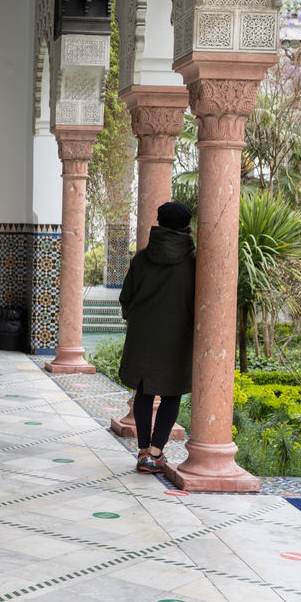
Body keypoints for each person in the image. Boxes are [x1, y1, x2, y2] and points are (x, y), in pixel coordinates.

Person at [117, 201, 196, 474]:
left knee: (144, 390)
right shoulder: (194, 261)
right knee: (172, 393)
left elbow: (125, 297)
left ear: (159, 224)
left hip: (143, 334)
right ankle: (155, 453)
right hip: (177, 337)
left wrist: (138, 320)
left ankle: (143, 451)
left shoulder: (141, 258)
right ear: (186, 227)